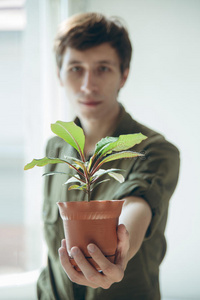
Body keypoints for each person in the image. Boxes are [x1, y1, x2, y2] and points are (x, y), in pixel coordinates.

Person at [37, 12, 180, 300]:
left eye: (103, 68)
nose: (88, 84)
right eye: (76, 68)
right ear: (59, 75)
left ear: (123, 74)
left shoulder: (153, 149)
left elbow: (137, 205)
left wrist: (119, 252)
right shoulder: (55, 148)